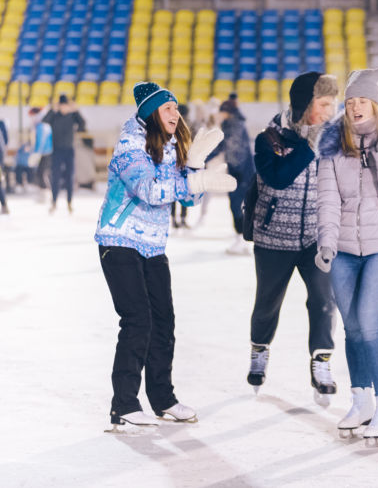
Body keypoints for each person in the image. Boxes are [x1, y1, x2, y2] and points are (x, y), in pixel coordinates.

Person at [95, 82, 235, 429]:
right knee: (137, 320)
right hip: (119, 240)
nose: (176, 113)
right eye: (167, 107)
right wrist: (194, 182)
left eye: (176, 107)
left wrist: (196, 165)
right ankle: (124, 403)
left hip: (153, 245)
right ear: (150, 113)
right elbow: (150, 190)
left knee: (163, 322)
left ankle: (163, 398)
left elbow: (188, 199)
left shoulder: (172, 146)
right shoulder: (130, 144)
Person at [316, 68, 378, 443]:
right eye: (350, 101)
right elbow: (327, 197)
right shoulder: (332, 141)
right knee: (353, 329)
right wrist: (326, 241)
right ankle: (362, 402)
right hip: (342, 248)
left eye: (362, 100)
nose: (355, 107)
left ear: (375, 103)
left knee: (372, 327)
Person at [247, 72, 339, 406]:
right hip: (273, 238)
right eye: (323, 104)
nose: (330, 112)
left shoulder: (334, 140)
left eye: (333, 104)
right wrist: (310, 147)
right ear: (303, 104)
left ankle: (322, 363)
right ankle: (259, 349)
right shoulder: (268, 138)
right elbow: (279, 179)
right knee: (267, 303)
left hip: (317, 237)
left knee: (323, 301)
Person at [207, 99, 256, 255]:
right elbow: (224, 146)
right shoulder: (234, 124)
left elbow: (232, 148)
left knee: (237, 206)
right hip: (240, 172)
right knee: (237, 206)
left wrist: (205, 158)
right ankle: (240, 238)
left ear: (226, 112)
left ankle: (242, 240)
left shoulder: (233, 125)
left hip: (241, 173)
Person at [43, 94, 86, 213]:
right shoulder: (55, 116)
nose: (63, 108)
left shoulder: (72, 116)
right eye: (61, 105)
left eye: (65, 106)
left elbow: (82, 125)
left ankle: (69, 202)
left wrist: (76, 111)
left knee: (70, 177)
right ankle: (54, 201)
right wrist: (52, 109)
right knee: (55, 177)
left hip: (69, 150)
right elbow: (44, 121)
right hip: (56, 150)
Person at [29, 107, 54, 193]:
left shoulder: (41, 125)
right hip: (45, 152)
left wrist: (36, 153)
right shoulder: (42, 125)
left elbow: (40, 141)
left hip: (45, 153)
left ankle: (47, 193)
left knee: (42, 173)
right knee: (41, 173)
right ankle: (45, 192)